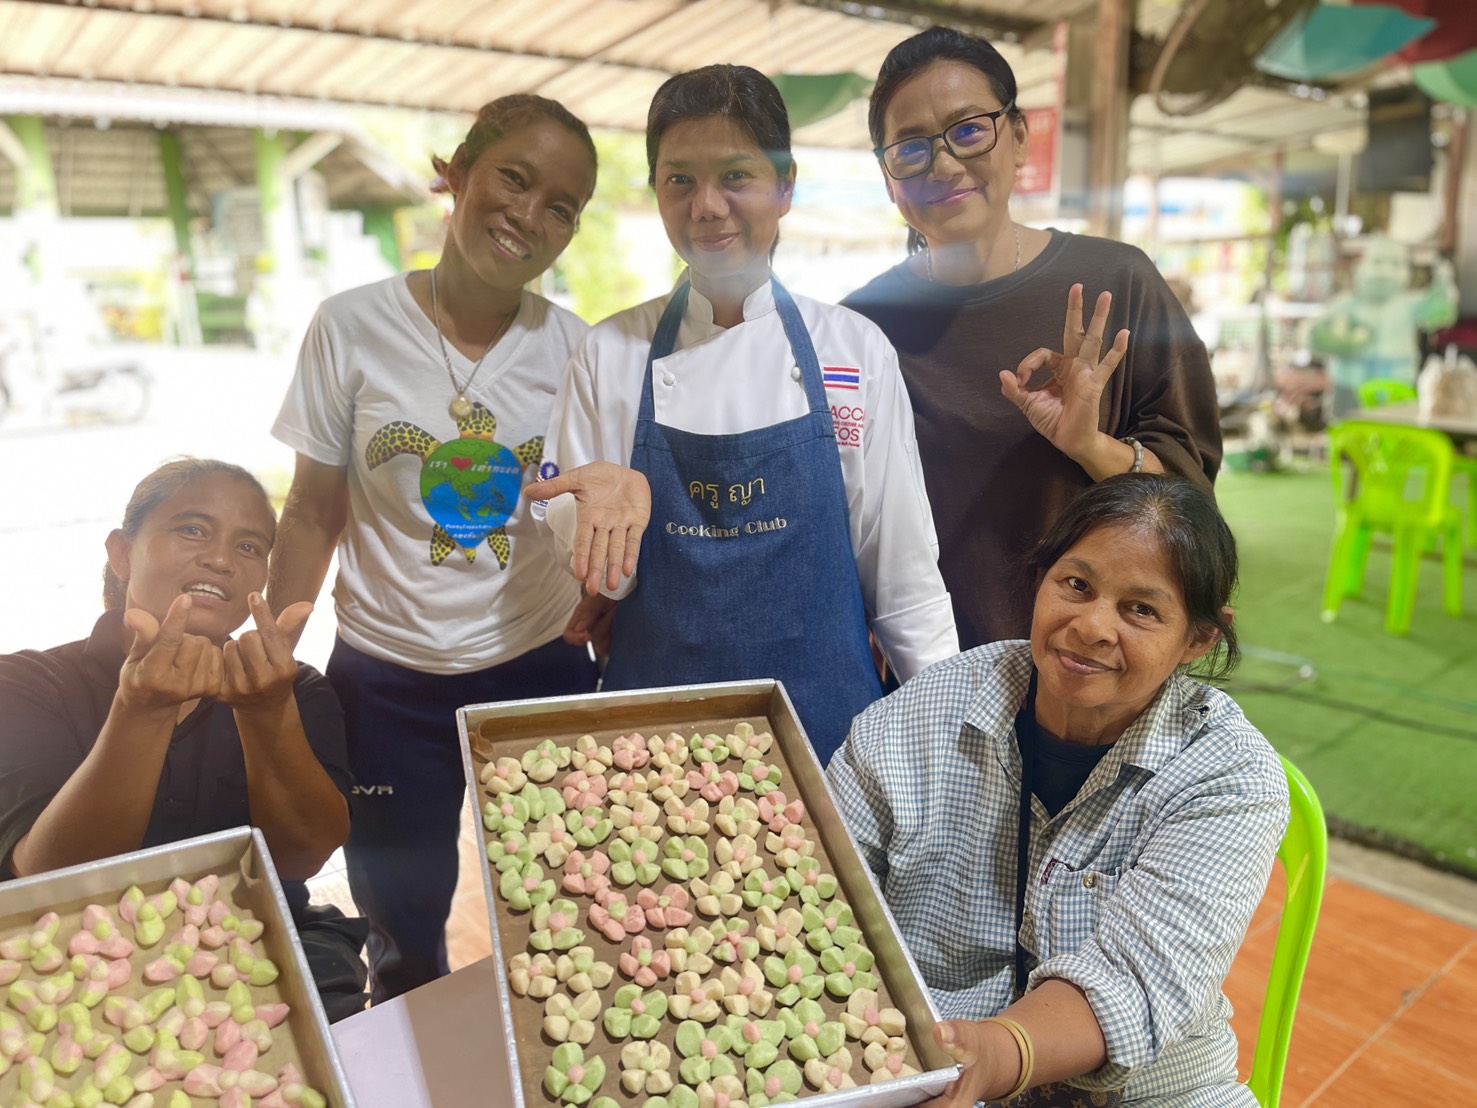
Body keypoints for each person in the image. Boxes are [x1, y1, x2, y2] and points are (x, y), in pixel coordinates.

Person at [267, 94, 601, 1002]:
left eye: (561, 206)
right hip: (386, 680)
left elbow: (588, 508)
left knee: (564, 906)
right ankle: (416, 1040)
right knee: (402, 923)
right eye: (513, 179)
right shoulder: (350, 326)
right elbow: (311, 512)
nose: (528, 215)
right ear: (455, 173)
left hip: (535, 666)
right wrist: (272, 660)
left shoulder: (576, 350)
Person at [528, 64, 958, 766]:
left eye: (735, 175)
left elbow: (903, 579)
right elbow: (606, 584)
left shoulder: (852, 350)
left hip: (829, 740)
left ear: (785, 186)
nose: (706, 206)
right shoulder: (608, 354)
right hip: (654, 756)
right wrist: (602, 519)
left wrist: (946, 740)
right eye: (679, 180)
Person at [827, 474, 1288, 1107]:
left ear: (1199, 638)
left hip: (1147, 1092)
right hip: (925, 1062)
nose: (1091, 626)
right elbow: (827, 888)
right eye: (1076, 585)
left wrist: (997, 1054)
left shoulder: (1228, 775)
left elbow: (1134, 982)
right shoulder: (926, 712)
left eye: (1142, 610)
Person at [844, 26, 1223, 651]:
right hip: (927, 673)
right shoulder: (860, 327)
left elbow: (1190, 493)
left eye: (969, 130)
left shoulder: (1118, 283)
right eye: (910, 148)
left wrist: (1092, 447)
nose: (944, 164)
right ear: (889, 179)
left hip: (1089, 662)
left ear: (1018, 138)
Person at [0, 459, 368, 1020]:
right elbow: (48, 877)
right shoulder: (28, 684)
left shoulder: (295, 690)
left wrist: (267, 714)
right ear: (122, 553)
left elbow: (301, 858)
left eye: (249, 547)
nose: (221, 559)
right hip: (63, 952)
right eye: (193, 529)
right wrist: (142, 712)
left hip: (247, 934)